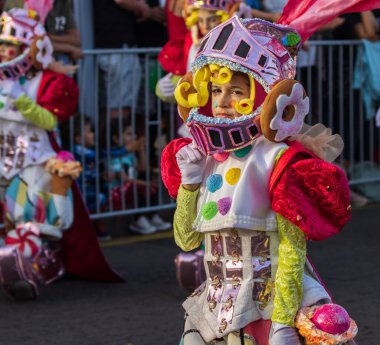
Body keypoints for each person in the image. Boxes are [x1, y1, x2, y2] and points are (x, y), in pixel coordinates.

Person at [161, 10, 361, 345]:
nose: (223, 101)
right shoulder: (203, 156)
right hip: (215, 306)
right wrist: (190, 183)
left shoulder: (280, 160)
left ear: (263, 96)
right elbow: (186, 241)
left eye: (237, 92)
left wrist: (283, 323)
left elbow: (292, 252)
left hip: (268, 310)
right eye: (216, 90)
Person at [0, 8, 122, 300]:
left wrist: (17, 100)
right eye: (1, 46)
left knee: (31, 215)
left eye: (10, 47)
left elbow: (50, 120)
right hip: (3, 157)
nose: (4, 52)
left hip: (34, 159)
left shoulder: (49, 82)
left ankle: (29, 268)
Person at [108, 120, 171, 234]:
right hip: (119, 191)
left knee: (148, 178)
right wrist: (144, 184)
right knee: (139, 187)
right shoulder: (114, 156)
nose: (134, 137)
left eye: (134, 134)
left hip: (132, 185)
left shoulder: (130, 154)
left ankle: (153, 215)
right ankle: (138, 219)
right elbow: (125, 179)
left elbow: (143, 168)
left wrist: (141, 150)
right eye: (129, 134)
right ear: (116, 139)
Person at [93, 0, 149, 121]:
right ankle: (115, 137)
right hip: (113, 48)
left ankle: (120, 136)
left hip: (123, 47)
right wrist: (142, 6)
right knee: (117, 107)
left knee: (125, 105)